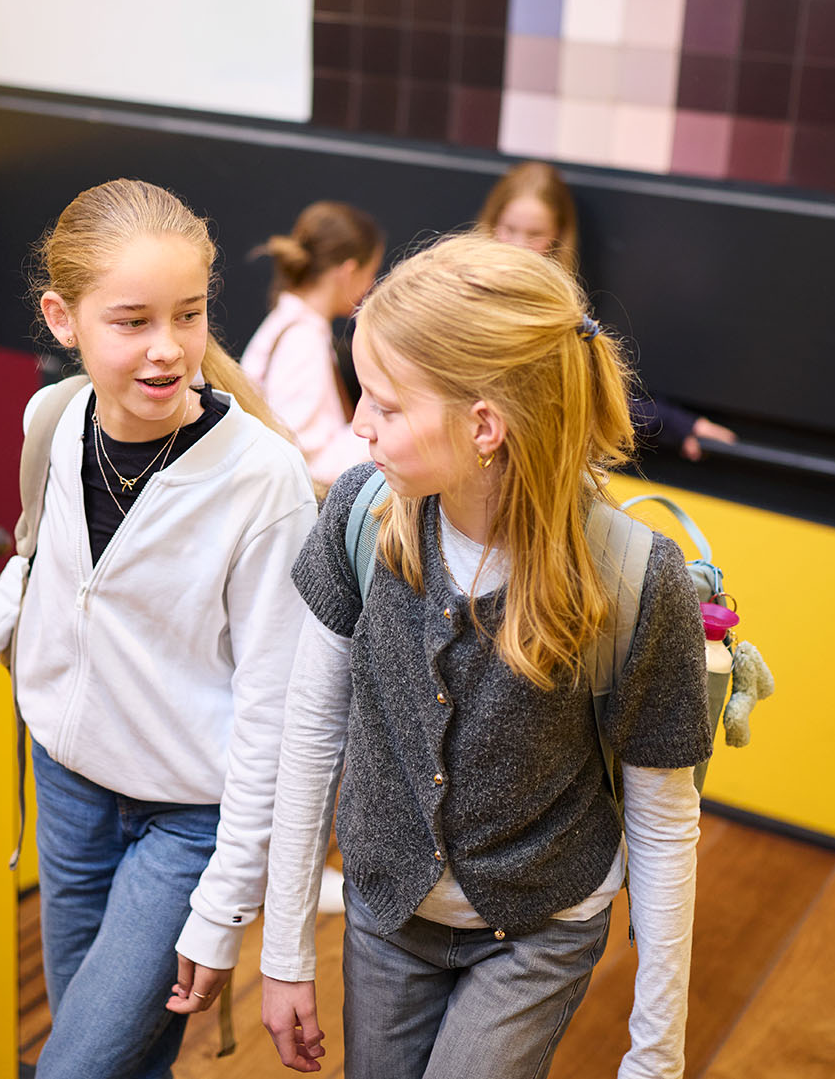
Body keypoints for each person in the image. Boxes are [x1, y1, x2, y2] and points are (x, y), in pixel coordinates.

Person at [259, 235, 712, 1078]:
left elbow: (662, 818)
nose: (357, 423)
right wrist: (284, 948)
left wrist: (657, 1051)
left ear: (483, 426)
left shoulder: (634, 577)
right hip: (387, 915)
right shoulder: (360, 515)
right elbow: (311, 731)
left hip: (539, 933)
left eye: (385, 405)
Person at [0, 179, 317, 1079]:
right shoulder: (54, 419)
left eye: (189, 314)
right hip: (68, 787)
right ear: (63, 319)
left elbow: (274, 710)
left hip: (188, 819)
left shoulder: (264, 479)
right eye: (132, 321)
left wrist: (225, 904)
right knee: (122, 1063)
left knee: (75, 1065)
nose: (168, 347)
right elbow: (38, 567)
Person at [473, 160, 738, 461]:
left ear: (558, 236)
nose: (518, 247)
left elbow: (590, 391)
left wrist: (679, 424)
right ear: (491, 222)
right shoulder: (464, 291)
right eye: (509, 229)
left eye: (534, 234)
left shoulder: (558, 308)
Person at [242, 201, 383, 486]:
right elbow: (307, 457)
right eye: (370, 273)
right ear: (348, 271)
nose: (370, 286)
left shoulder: (292, 326)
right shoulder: (301, 341)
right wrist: (384, 431)